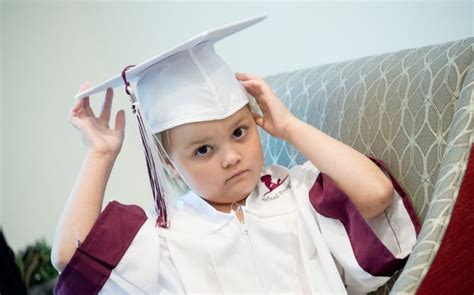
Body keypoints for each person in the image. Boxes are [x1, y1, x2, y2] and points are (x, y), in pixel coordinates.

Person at [51, 15, 420, 294]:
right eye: (203, 150)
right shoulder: (164, 240)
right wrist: (99, 155)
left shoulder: (299, 194)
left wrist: (291, 126)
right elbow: (71, 257)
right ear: (170, 165)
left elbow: (377, 194)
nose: (230, 157)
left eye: (239, 132)